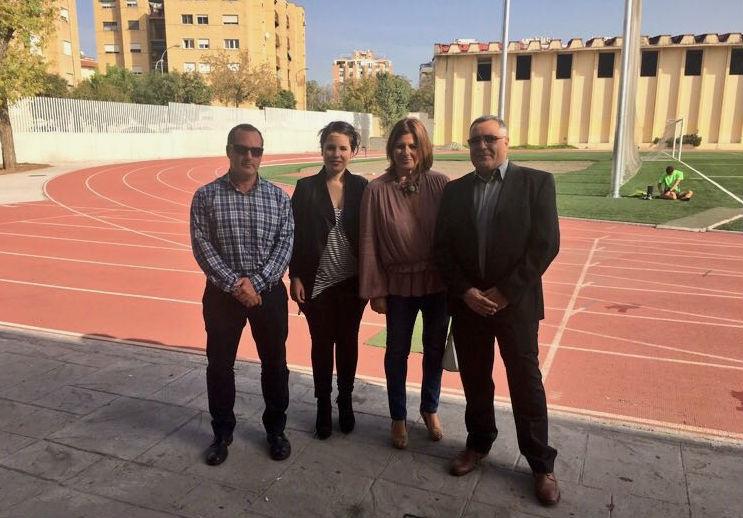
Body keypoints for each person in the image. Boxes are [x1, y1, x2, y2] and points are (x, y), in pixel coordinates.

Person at [434, 115, 561, 506]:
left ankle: (541, 464)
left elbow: (545, 244)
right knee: (475, 379)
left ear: (507, 142)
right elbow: (443, 250)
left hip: (516, 306)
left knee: (525, 383)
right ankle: (478, 444)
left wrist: (505, 292)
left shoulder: (536, 183)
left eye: (490, 139)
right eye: (475, 141)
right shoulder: (455, 192)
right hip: (470, 306)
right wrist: (467, 291)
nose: (482, 146)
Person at [190, 123, 294, 466]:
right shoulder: (205, 196)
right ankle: (222, 434)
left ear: (262, 155)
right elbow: (202, 247)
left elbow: (285, 243)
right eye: (242, 149)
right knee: (220, 366)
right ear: (229, 151)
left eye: (256, 151)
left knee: (275, 366)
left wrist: (259, 283)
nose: (249, 156)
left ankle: (275, 431)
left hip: (269, 295)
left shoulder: (278, 196)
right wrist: (236, 284)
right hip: (223, 296)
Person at [359, 117, 449, 449]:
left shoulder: (441, 184)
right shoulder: (376, 189)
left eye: (412, 145)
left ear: (423, 148)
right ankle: (398, 416)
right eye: (399, 145)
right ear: (391, 149)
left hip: (438, 283)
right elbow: (369, 241)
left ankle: (430, 407)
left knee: (435, 350)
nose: (406, 151)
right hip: (396, 284)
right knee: (396, 351)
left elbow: (454, 239)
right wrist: (375, 290)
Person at [289, 121, 368, 440]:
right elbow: (292, 234)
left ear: (353, 151)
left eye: (343, 148)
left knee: (348, 343)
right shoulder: (305, 188)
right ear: (322, 150)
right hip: (316, 284)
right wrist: (294, 275)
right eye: (331, 147)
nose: (336, 153)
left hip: (352, 284)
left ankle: (345, 400)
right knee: (321, 346)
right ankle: (323, 406)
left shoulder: (363, 187)